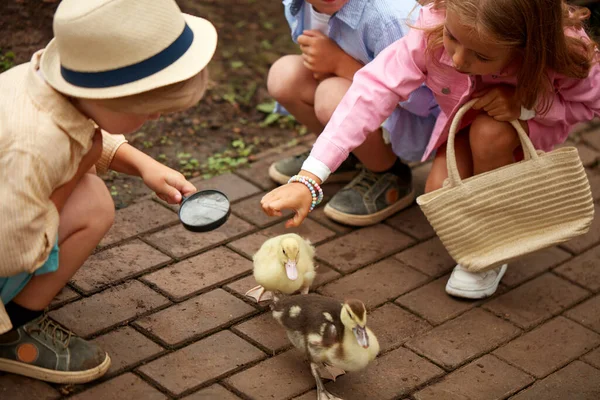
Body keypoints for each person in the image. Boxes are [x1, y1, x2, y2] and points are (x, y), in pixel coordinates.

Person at [262, 0, 600, 298]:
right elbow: (372, 90)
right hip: (458, 125)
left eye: (481, 55)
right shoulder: (433, 27)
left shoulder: (566, 50)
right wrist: (310, 177)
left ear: (527, 45)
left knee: (490, 134)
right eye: (453, 39)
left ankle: (492, 247)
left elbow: (591, 106)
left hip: (521, 129)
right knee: (439, 195)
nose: (458, 59)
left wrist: (528, 107)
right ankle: (485, 205)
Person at [0, 0, 217, 383]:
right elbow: (15, 251)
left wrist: (143, 165)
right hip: (9, 240)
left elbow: (83, 127)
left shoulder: (40, 81)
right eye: (150, 111)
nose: (155, 118)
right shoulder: (33, 147)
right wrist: (78, 170)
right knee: (93, 204)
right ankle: (13, 329)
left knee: (92, 196)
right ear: (103, 98)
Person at [266, 0, 439, 226]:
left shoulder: (388, 18)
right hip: (361, 101)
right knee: (284, 76)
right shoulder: (299, 4)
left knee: (331, 96)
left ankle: (388, 173)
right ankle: (347, 157)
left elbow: (426, 101)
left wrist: (341, 64)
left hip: (411, 119)